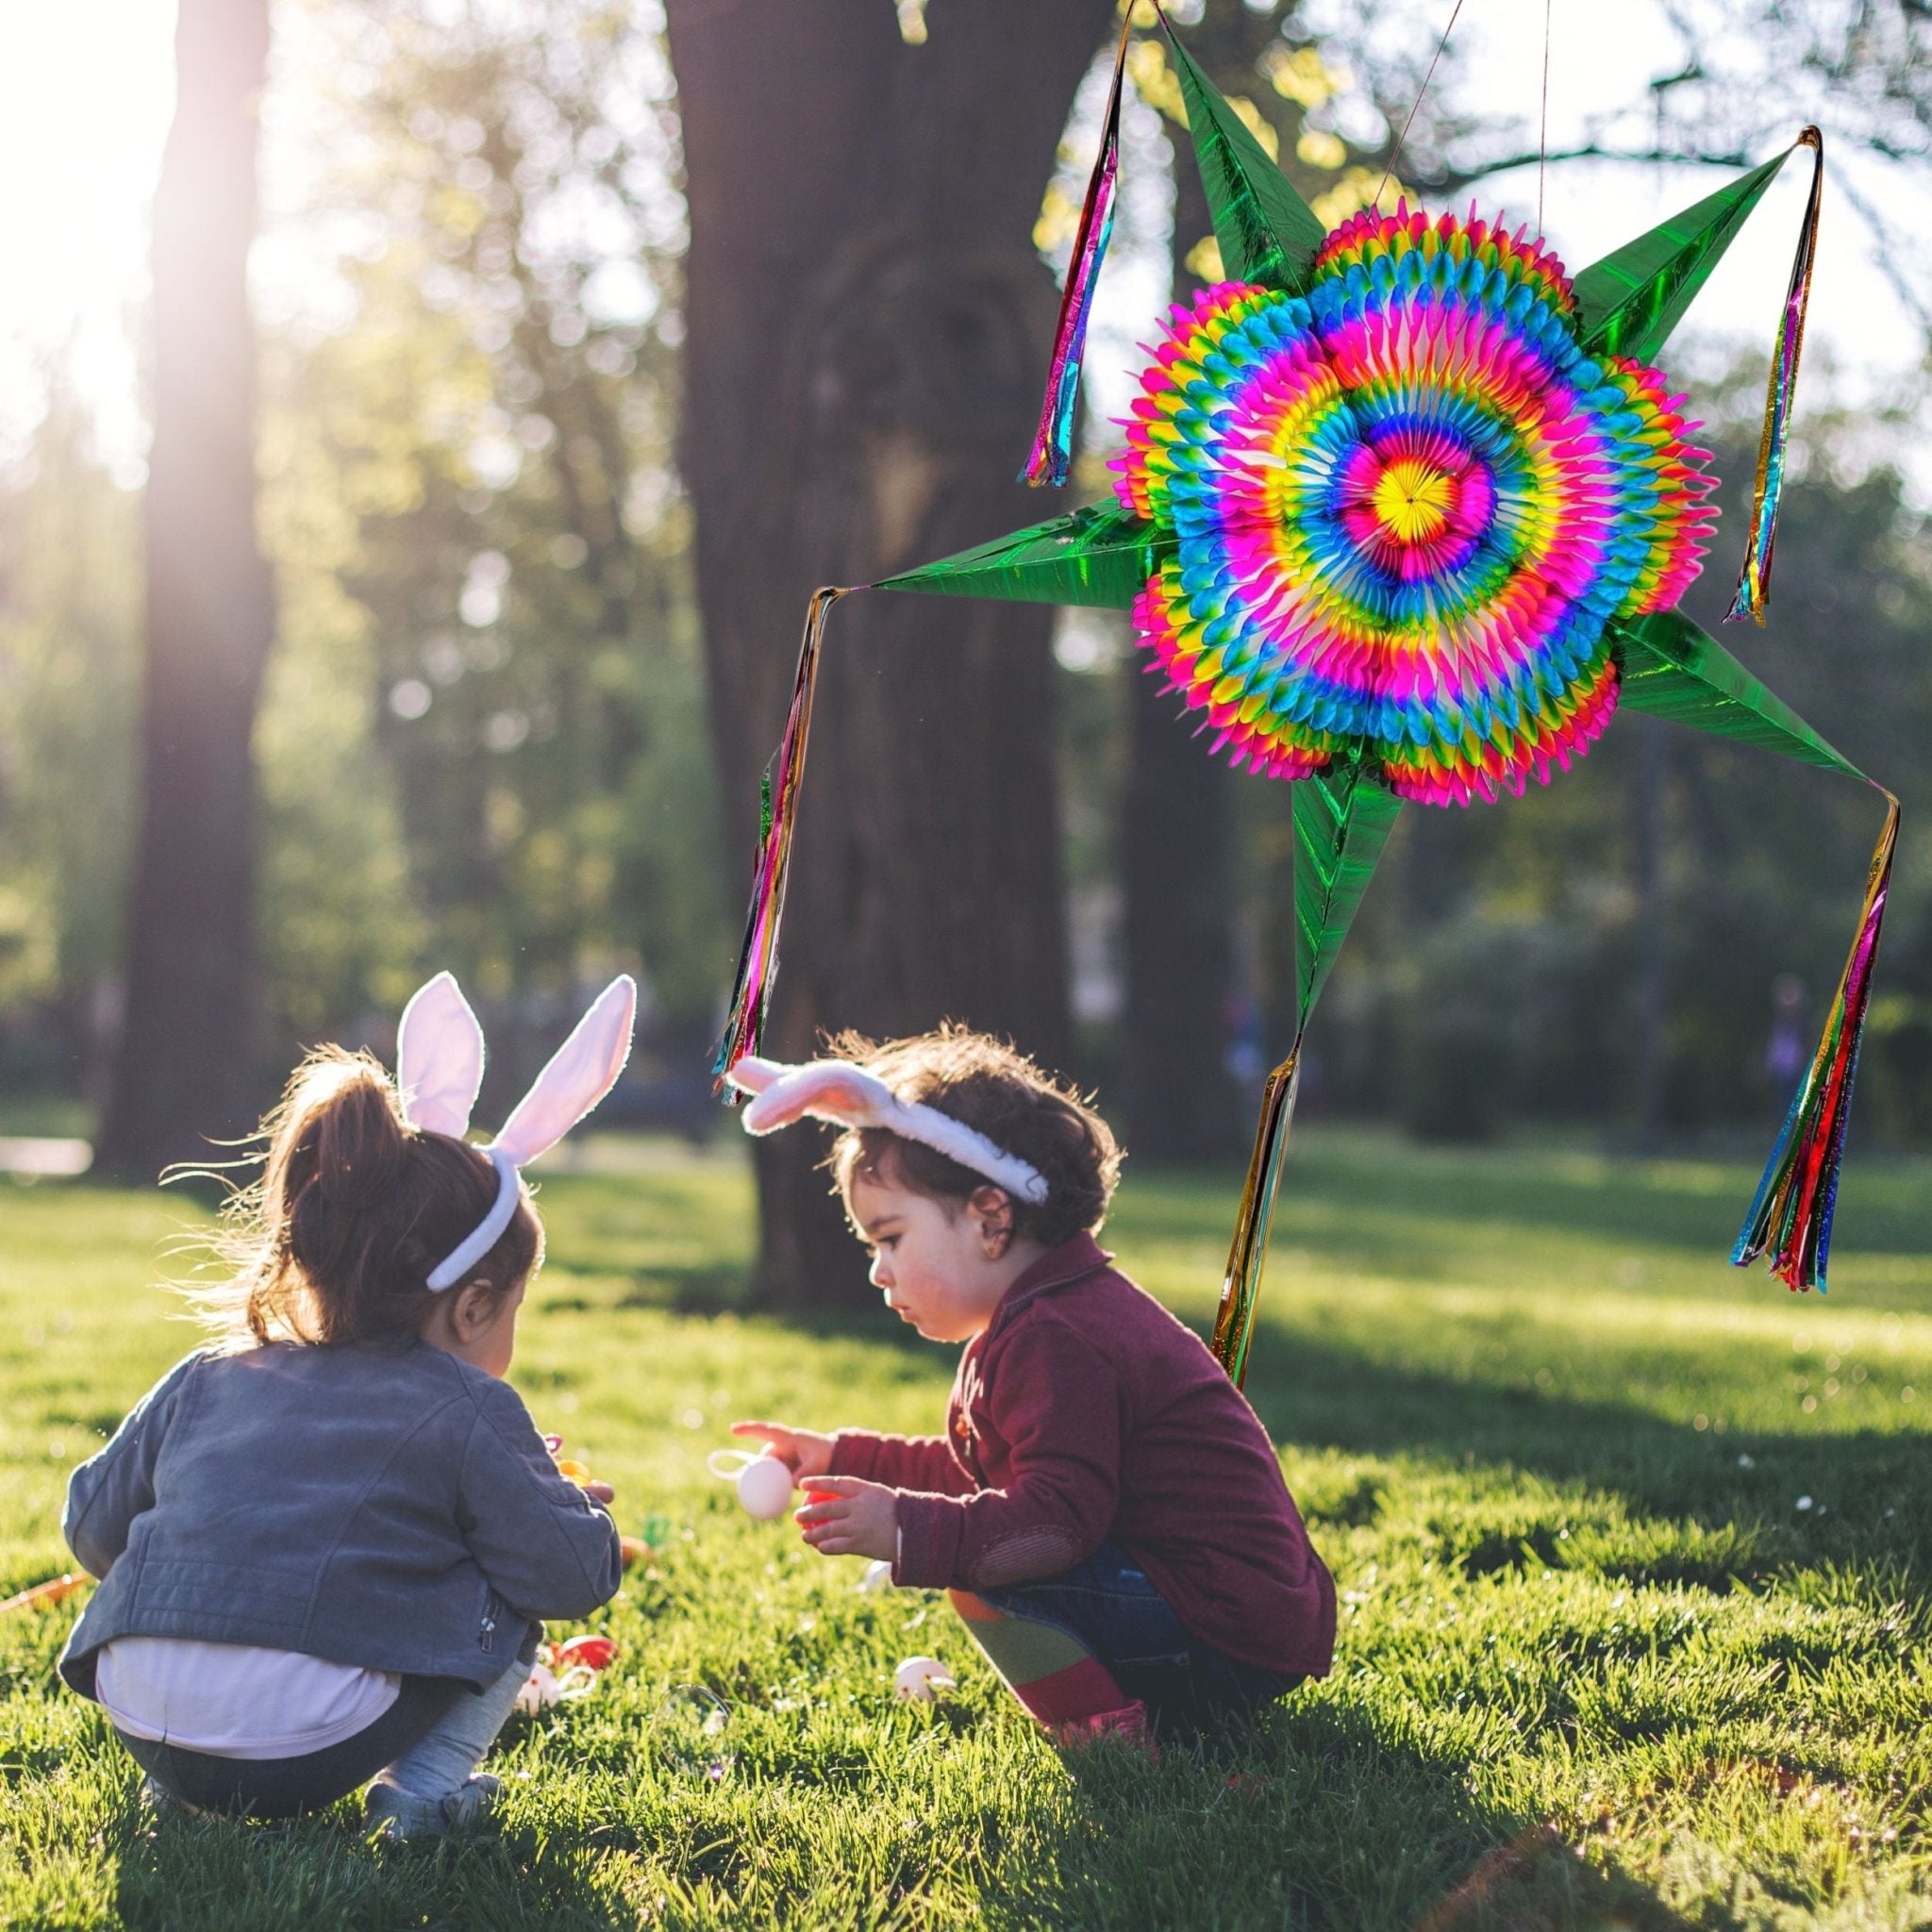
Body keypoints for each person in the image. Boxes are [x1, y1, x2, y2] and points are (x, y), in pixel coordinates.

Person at [58, 972, 635, 1833]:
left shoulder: (211, 1376)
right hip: (311, 1741)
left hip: (140, 1713)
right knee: (508, 1584)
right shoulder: (469, 1406)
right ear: (473, 1305)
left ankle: (183, 1781)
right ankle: (422, 1791)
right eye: (512, 1311)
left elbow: (92, 1529)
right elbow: (563, 1576)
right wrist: (568, 1512)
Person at [728, 1027, 1335, 1748]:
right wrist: (838, 1456)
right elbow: (978, 1473)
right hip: (1230, 1612)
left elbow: (1056, 1525)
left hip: (1221, 1627)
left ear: (991, 1219)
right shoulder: (1045, 1315)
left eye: (890, 1239)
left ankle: (1109, 1741)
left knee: (984, 1572)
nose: (877, 1271)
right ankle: (1132, 1709)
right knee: (979, 1536)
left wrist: (907, 1531)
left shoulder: (1059, 1336)